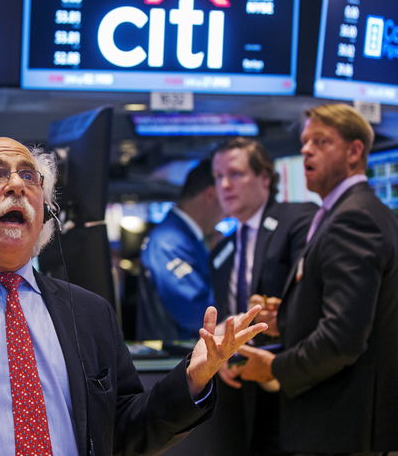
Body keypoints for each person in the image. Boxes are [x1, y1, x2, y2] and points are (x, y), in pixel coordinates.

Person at [0, 136, 267, 456]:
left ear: (44, 211)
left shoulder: (90, 312)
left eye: (29, 176)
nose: (17, 185)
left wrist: (192, 378)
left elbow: (126, 431)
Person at [239, 104, 398, 455]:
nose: (306, 150)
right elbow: (344, 309)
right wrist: (285, 318)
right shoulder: (348, 212)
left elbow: (343, 337)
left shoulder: (353, 219)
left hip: (344, 428)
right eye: (305, 141)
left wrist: (274, 367)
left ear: (355, 151)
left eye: (321, 141)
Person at [195, 138, 317, 456]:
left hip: (294, 382)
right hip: (244, 389)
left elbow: (312, 295)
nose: (224, 185)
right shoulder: (221, 251)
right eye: (218, 176)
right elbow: (227, 313)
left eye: (235, 174)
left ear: (264, 177)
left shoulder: (298, 220)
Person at [138, 159, 223, 340]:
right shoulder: (168, 241)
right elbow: (195, 313)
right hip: (177, 358)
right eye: (227, 196)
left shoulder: (191, 239)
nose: (230, 210)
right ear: (211, 195)